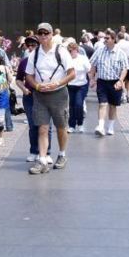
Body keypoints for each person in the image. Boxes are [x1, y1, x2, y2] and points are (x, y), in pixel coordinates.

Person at [25, 22, 75, 174]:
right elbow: (28, 75)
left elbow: (72, 74)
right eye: (40, 33)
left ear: (52, 34)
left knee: (61, 127)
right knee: (42, 128)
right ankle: (42, 159)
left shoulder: (61, 51)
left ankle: (62, 154)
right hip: (40, 95)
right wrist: (37, 86)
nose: (43, 36)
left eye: (46, 33)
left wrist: (57, 83)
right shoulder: (34, 53)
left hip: (59, 94)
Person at [16, 36, 51, 162]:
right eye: (28, 45)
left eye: (33, 45)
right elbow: (19, 79)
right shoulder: (24, 61)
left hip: (46, 95)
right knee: (33, 125)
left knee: (46, 125)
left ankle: (46, 152)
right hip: (30, 95)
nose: (30, 47)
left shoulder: (47, 59)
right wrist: (23, 89)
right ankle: (34, 150)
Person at [89, 29, 129, 137]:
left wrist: (120, 81)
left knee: (112, 105)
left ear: (113, 39)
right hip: (102, 81)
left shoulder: (120, 53)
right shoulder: (99, 51)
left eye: (107, 38)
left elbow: (125, 69)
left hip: (115, 82)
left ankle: (110, 126)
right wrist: (92, 79)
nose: (104, 40)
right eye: (104, 38)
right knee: (102, 104)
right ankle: (101, 126)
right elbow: (93, 65)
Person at [66, 41, 91, 133]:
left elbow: (88, 69)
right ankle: (71, 125)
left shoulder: (83, 58)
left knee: (79, 104)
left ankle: (80, 123)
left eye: (71, 51)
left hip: (81, 85)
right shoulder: (67, 59)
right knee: (71, 105)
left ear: (76, 50)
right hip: (70, 85)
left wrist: (92, 80)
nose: (70, 53)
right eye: (68, 51)